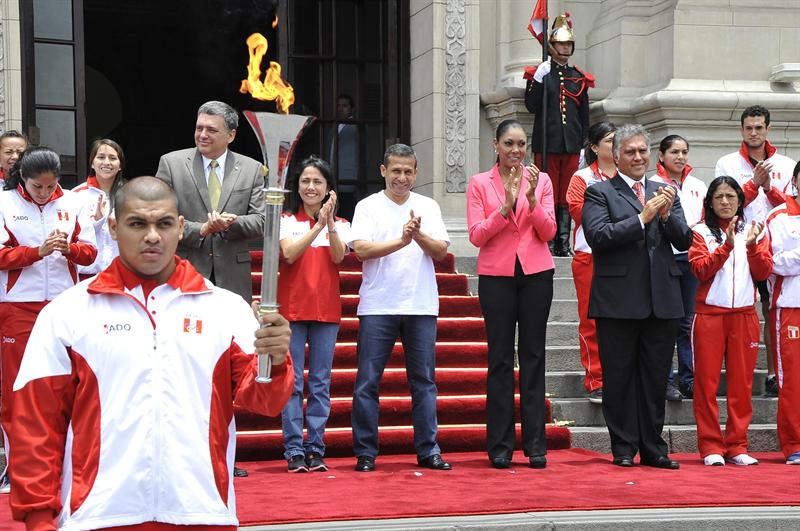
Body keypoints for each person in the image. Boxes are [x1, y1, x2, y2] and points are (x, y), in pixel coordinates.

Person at [9, 177, 294, 529]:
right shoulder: (68, 312)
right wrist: (38, 517)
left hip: (200, 511)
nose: (152, 236)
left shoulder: (225, 309)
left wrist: (276, 360)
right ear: (113, 227)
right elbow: (35, 422)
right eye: (137, 224)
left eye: (164, 223)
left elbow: (264, 401)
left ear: (180, 227)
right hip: (98, 515)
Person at [582, 124, 692, 469]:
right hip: (618, 299)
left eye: (643, 151)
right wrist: (642, 218)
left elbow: (684, 240)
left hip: (662, 298)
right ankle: (624, 447)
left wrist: (664, 215)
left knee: (655, 376)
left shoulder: (664, 190)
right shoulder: (599, 192)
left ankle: (654, 447)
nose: (638, 157)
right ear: (616, 157)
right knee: (619, 376)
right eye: (630, 152)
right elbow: (598, 236)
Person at [348, 143, 451, 472]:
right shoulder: (367, 206)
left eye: (408, 171)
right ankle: (365, 451)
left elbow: (440, 252)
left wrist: (417, 235)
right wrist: (402, 241)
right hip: (378, 305)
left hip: (420, 304)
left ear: (416, 173)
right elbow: (361, 250)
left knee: (424, 381)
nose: (402, 177)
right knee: (368, 382)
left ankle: (428, 449)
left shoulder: (428, 206)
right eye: (396, 171)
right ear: (383, 171)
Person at [0, 147, 97, 494]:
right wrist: (35, 252)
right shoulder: (5, 203)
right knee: (19, 390)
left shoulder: (72, 203)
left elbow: (91, 252)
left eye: (50, 186)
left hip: (63, 304)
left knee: (68, 386)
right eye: (37, 187)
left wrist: (68, 249)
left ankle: (67, 464)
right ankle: (19, 469)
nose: (44, 192)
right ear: (22, 179)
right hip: (18, 307)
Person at [467, 119, 555, 469]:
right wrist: (504, 208)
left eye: (521, 144)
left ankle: (535, 445)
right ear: (495, 145)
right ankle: (500, 446)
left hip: (536, 273)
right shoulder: (479, 183)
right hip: (497, 276)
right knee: (500, 359)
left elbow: (548, 232)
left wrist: (531, 199)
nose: (515, 151)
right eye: (508, 144)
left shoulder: (542, 180)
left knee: (533, 356)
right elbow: (476, 235)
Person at [689, 176, 771, 466]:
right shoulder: (700, 232)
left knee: (742, 384)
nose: (725, 202)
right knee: (706, 383)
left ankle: (737, 445)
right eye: (719, 197)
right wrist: (726, 247)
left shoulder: (755, 231)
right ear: (710, 202)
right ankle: (710, 445)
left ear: (740, 200)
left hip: (745, 316)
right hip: (710, 315)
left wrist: (750, 247)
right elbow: (700, 270)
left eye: (731, 197)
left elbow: (763, 273)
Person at [715, 105, 796, 398]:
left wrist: (769, 188)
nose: (753, 133)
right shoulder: (727, 162)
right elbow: (724, 201)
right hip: (739, 243)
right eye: (748, 127)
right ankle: (736, 372)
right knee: (738, 309)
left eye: (759, 127)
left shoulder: (786, 164)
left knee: (772, 309)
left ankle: (776, 372)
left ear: (768, 129)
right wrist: (753, 185)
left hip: (776, 244)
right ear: (741, 130)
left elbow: (790, 205)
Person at [279, 156, 349, 473]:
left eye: (318, 182)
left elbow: (338, 256)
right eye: (306, 181)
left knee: (320, 383)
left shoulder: (342, 225)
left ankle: (315, 448)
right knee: (292, 383)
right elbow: (289, 254)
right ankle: (294, 449)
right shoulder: (286, 220)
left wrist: (329, 223)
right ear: (298, 185)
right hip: (291, 310)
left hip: (326, 311)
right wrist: (317, 225)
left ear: (328, 189)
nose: (311, 187)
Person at [156, 100, 265, 304]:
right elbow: (160, 218)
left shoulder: (252, 169)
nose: (203, 134)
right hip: (186, 269)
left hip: (233, 275)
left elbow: (262, 220)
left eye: (211, 130)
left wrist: (231, 223)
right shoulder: (171, 164)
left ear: (231, 135)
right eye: (199, 128)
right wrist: (202, 229)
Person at [524, 12, 593, 257]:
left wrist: (584, 145)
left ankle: (563, 241)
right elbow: (532, 106)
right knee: (548, 191)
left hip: (571, 144)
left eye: (568, 43)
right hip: (548, 143)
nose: (565, 47)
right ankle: (549, 238)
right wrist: (539, 80)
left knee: (566, 195)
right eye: (561, 43)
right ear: (551, 46)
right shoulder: (541, 73)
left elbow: (584, 115)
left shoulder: (578, 76)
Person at [653, 135, 707, 401]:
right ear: (661, 155)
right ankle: (666, 379)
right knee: (666, 322)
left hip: (693, 258)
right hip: (665, 258)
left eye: (684, 151)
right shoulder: (653, 184)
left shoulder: (698, 185)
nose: (680, 157)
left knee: (688, 322)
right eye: (674, 151)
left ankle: (688, 378)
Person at [566, 121, 616, 404]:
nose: (615, 145)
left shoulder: (628, 174)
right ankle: (596, 379)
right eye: (610, 141)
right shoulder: (582, 177)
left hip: (623, 255)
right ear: (595, 147)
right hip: (590, 255)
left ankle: (619, 377)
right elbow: (578, 211)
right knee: (591, 320)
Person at [765, 160, 800, 464]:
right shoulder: (778, 217)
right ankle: (794, 444)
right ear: (796, 181)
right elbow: (771, 263)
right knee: (792, 379)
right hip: (791, 307)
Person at [72, 139, 127, 278]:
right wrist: (97, 222)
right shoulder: (76, 195)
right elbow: (71, 237)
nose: (106, 162)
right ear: (92, 162)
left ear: (120, 165)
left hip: (119, 274)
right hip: (85, 274)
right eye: (101, 157)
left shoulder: (130, 195)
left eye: (113, 158)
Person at [328, 93, 359, 219]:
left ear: (352, 109)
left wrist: (356, 175)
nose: (341, 109)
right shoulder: (333, 127)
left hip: (348, 177)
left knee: (347, 210)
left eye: (344, 106)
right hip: (334, 176)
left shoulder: (356, 127)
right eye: (338, 106)